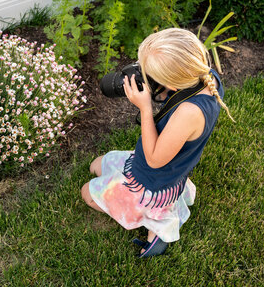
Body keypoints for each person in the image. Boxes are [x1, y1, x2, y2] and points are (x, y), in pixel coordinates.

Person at [81, 28, 234, 258]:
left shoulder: (188, 113)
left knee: (87, 193)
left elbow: (153, 160)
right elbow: (172, 100)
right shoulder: (205, 75)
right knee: (96, 165)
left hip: (152, 183)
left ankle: (160, 229)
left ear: (172, 82)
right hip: (162, 168)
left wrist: (144, 107)